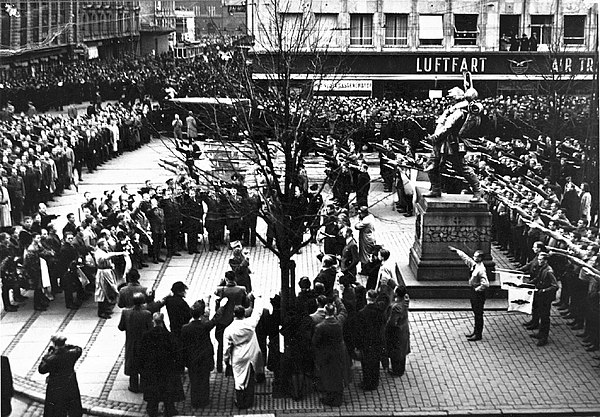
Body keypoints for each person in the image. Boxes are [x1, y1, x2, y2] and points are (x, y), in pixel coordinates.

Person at [424, 86, 483, 202]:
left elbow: (448, 128)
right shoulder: (453, 109)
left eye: (451, 97)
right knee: (431, 165)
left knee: (461, 168)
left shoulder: (460, 112)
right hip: (440, 143)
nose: (449, 100)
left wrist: (435, 137)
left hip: (452, 143)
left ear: (457, 98)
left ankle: (477, 191)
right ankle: (435, 189)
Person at [139, 312, 184, 417]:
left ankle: (152, 410)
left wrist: (142, 368)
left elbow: (141, 353)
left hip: (152, 368)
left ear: (153, 321)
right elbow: (176, 353)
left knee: (153, 390)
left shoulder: (146, 335)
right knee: (167, 390)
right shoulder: (169, 336)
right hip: (167, 368)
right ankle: (169, 409)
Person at [181, 298, 224, 408]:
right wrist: (221, 308)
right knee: (204, 379)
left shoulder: (185, 328)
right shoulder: (205, 326)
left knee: (194, 380)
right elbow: (215, 319)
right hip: (204, 355)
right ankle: (204, 400)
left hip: (192, 357)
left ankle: (195, 401)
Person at [224, 297, 265, 409]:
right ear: (244, 314)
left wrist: (226, 359)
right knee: (249, 377)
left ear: (234, 314)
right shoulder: (250, 324)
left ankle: (240, 401)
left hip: (238, 354)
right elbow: (258, 313)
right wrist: (258, 299)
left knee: (239, 378)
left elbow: (227, 348)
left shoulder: (229, 329)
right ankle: (249, 401)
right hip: (250, 353)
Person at [312, 296, 349, 407]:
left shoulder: (320, 327)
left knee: (328, 376)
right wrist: (337, 299)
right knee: (338, 374)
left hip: (326, 355)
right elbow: (344, 312)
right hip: (339, 353)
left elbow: (315, 342)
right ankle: (339, 396)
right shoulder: (338, 322)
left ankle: (331, 398)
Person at [449, 246, 489, 341]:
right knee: (476, 312)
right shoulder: (475, 265)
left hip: (478, 293)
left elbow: (486, 284)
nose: (473, 258)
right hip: (473, 291)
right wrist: (458, 251)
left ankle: (478, 334)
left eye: (475, 256)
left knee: (478, 314)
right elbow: (466, 258)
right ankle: (475, 332)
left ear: (480, 258)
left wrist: (477, 289)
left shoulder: (481, 269)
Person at [38, 334, 83, 417]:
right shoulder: (72, 354)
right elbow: (78, 349)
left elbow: (41, 369)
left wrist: (48, 354)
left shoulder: (51, 359)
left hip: (56, 386)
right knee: (73, 407)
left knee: (56, 410)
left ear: (54, 344)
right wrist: (66, 346)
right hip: (70, 383)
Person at [118, 292, 152, 393]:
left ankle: (133, 386)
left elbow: (121, 327)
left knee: (133, 364)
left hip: (131, 342)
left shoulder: (126, 313)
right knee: (143, 363)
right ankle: (143, 385)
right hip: (143, 342)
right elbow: (150, 328)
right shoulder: (147, 314)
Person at [214, 273, 248, 373]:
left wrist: (221, 283)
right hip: (235, 319)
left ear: (226, 279)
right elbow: (245, 303)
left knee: (221, 344)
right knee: (236, 344)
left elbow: (215, 292)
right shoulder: (241, 289)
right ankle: (233, 366)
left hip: (223, 321)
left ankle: (219, 366)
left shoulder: (221, 290)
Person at [524, 252, 559, 346]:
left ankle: (544, 338)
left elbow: (555, 286)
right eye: (538, 259)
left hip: (546, 298)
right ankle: (540, 333)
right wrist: (528, 283)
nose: (539, 261)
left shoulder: (549, 271)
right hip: (540, 296)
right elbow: (538, 278)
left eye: (541, 260)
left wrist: (544, 290)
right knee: (540, 313)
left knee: (545, 317)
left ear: (546, 260)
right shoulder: (542, 269)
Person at [356, 289, 386, 391]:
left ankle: (367, 383)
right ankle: (375, 382)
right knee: (375, 362)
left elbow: (360, 331)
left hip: (366, 342)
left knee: (366, 363)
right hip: (377, 341)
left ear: (367, 298)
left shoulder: (362, 313)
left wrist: (359, 344)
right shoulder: (380, 311)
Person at [95, 239, 127, 319]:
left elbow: (110, 254)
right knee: (102, 291)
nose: (107, 246)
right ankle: (101, 311)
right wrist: (119, 254)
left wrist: (121, 253)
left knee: (109, 290)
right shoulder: (99, 253)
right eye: (105, 245)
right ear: (101, 246)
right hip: (103, 273)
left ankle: (106, 308)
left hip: (107, 271)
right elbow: (107, 257)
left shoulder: (103, 251)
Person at [385, 286, 411, 376]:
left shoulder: (396, 307)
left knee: (395, 351)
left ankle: (396, 370)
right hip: (404, 328)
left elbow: (392, 322)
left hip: (397, 332)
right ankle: (401, 369)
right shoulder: (406, 300)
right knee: (402, 350)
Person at [354, 206, 377, 272]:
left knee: (365, 254)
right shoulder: (370, 216)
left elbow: (357, 226)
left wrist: (358, 219)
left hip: (366, 238)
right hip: (369, 235)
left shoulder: (366, 221)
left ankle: (366, 270)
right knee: (367, 253)